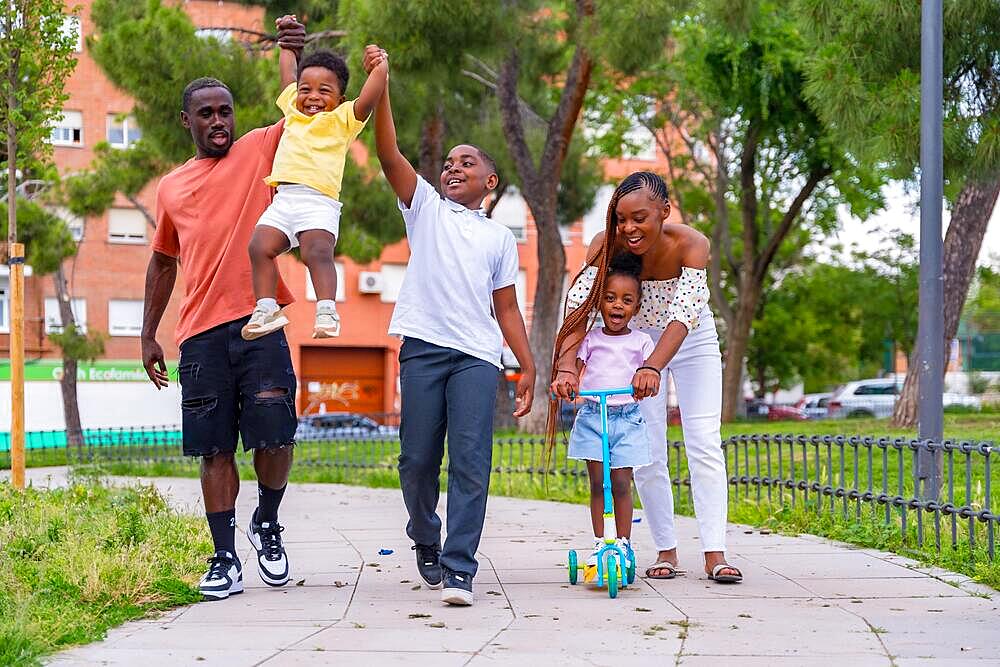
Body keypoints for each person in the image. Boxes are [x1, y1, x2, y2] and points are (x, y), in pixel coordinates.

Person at [141, 17, 306, 601]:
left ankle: (268, 521)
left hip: (260, 321)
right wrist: (147, 336)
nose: (219, 121)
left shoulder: (258, 150)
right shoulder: (170, 187)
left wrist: (291, 52)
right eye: (206, 113)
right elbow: (163, 262)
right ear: (187, 120)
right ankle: (224, 556)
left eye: (225, 111)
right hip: (201, 336)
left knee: (275, 435)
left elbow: (300, 118)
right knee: (213, 448)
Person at [367, 45, 536, 606]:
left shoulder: (500, 240)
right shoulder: (427, 209)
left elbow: (507, 309)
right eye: (449, 163)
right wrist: (382, 82)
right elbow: (388, 151)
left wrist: (527, 364)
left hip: (478, 358)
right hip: (423, 349)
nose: (454, 167)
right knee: (417, 460)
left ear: (491, 182)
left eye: (468, 163)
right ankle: (425, 534)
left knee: (471, 462)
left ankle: (460, 568)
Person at [550, 171, 743, 584]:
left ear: (664, 212)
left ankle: (715, 552)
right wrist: (567, 365)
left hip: (689, 338)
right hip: (632, 343)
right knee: (648, 448)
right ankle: (666, 551)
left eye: (639, 218)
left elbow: (682, 315)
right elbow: (579, 308)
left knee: (704, 440)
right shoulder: (606, 245)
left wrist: (652, 366)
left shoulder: (692, 244)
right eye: (621, 219)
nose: (628, 228)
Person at [242, 19, 389, 341]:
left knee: (316, 253)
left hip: (318, 202)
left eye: (325, 91)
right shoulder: (292, 114)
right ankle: (266, 309)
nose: (312, 97)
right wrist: (285, 43)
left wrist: (380, 66)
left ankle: (326, 312)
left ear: (340, 97)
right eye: (305, 89)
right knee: (258, 247)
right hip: (283, 199)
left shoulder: (343, 119)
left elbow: (370, 97)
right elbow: (286, 75)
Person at [566, 252, 654, 583]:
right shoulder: (590, 338)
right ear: (600, 301)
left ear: (636, 306)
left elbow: (650, 371)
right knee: (598, 484)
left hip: (627, 417)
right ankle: (600, 541)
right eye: (610, 298)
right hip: (592, 415)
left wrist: (647, 382)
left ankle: (624, 542)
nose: (617, 306)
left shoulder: (641, 341)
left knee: (620, 483)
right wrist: (570, 378)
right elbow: (574, 364)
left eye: (626, 300)